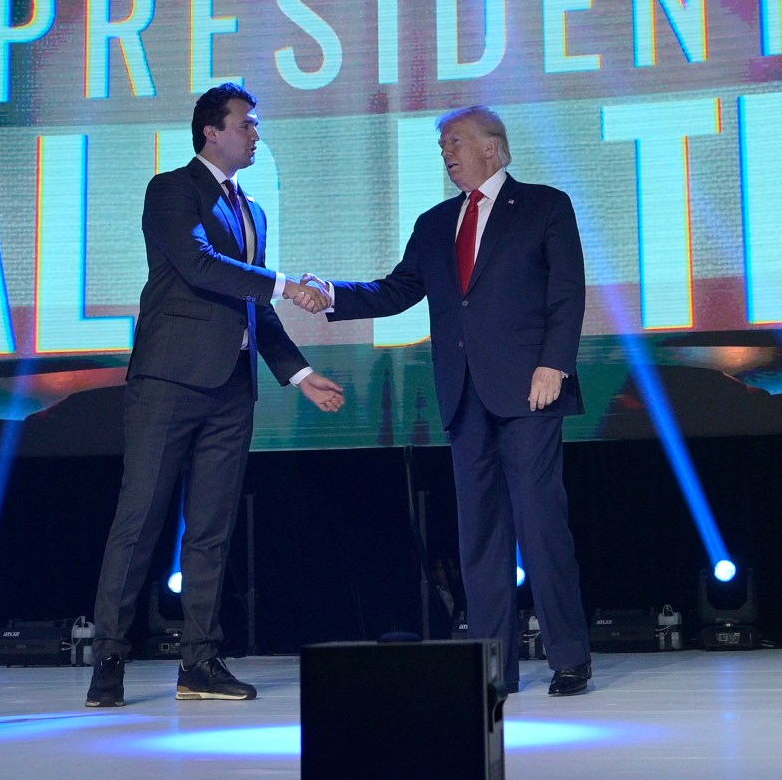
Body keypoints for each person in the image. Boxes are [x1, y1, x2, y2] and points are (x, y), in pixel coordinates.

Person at [309, 106, 593, 696]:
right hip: (464, 394)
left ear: (494, 147)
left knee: (542, 525)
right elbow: (396, 290)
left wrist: (555, 365)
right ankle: (494, 665)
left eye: (455, 140)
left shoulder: (545, 206)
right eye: (443, 143)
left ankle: (570, 658)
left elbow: (566, 292)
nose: (446, 151)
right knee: (480, 535)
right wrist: (332, 293)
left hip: (529, 390)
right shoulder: (436, 222)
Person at [84, 83, 346, 708]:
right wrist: (286, 284)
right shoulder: (172, 189)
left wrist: (299, 373)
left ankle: (198, 662)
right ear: (211, 131)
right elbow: (200, 267)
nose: (256, 134)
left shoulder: (251, 211)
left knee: (210, 530)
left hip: (231, 390)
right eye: (247, 125)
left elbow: (249, 303)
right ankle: (109, 663)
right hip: (169, 382)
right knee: (140, 519)